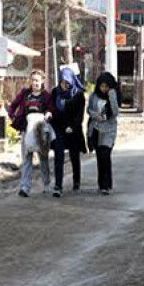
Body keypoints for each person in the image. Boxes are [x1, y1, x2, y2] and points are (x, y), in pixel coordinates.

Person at [8, 70, 52, 197]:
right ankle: (25, 187)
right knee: (27, 159)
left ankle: (47, 184)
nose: (35, 83)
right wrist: (13, 116)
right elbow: (13, 105)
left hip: (40, 131)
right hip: (26, 130)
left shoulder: (46, 95)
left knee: (43, 159)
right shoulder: (25, 94)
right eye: (33, 80)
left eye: (37, 80)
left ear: (42, 81)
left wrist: (49, 113)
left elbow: (51, 108)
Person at [48, 66, 86, 197]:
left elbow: (80, 115)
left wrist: (72, 126)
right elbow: (53, 109)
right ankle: (58, 185)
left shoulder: (78, 94)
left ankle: (76, 181)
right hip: (59, 127)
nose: (65, 85)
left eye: (67, 82)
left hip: (73, 129)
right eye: (62, 82)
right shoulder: (55, 92)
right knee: (58, 156)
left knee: (74, 156)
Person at [88, 72, 121, 195]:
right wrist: (96, 116)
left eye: (106, 86)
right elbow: (89, 110)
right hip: (96, 128)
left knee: (105, 155)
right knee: (99, 157)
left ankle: (106, 184)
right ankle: (101, 183)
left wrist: (111, 94)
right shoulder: (94, 96)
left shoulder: (114, 95)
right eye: (102, 86)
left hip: (109, 129)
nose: (104, 89)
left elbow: (115, 111)